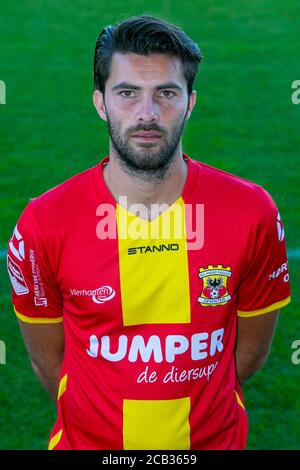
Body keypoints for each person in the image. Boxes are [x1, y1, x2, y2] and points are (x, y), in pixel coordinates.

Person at [7, 15, 291, 450]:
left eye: (166, 93)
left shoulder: (252, 212)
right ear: (100, 102)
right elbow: (50, 362)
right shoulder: (44, 223)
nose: (147, 113)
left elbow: (249, 354)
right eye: (127, 93)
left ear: (190, 103)